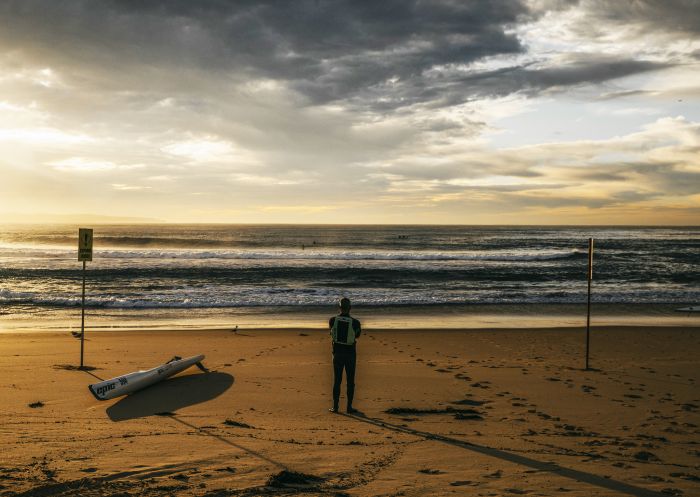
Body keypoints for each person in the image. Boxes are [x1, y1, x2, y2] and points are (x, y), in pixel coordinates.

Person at [328, 297, 361, 414]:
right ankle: (349, 407)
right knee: (350, 381)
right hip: (350, 354)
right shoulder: (356, 323)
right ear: (350, 308)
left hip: (337, 354)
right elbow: (357, 336)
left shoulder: (332, 320)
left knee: (337, 380)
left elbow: (331, 332)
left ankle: (335, 407)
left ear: (339, 307)